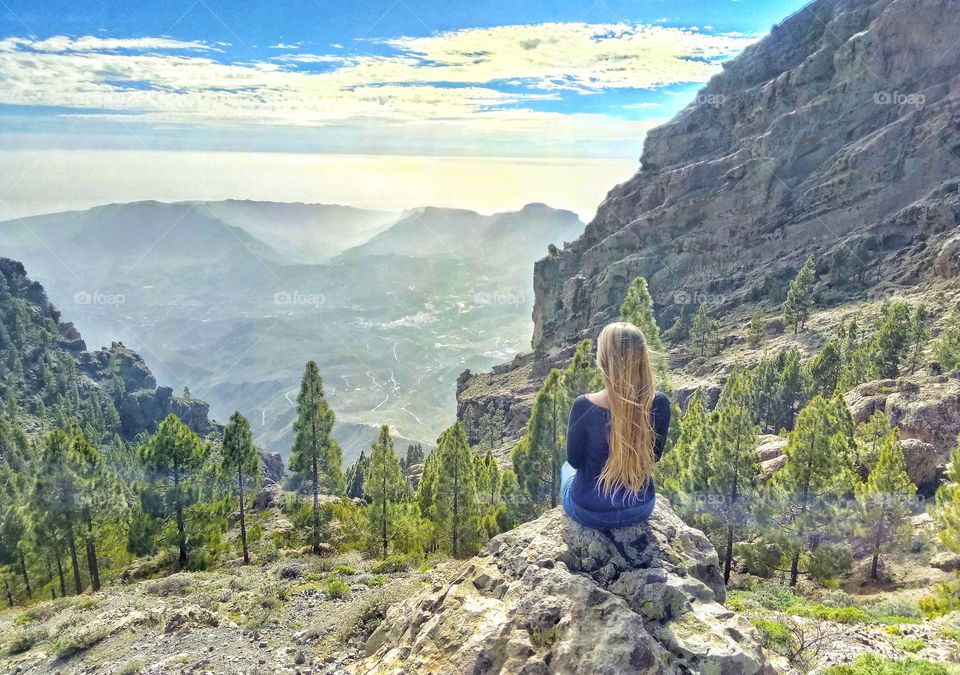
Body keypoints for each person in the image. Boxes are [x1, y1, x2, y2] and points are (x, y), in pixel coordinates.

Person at [561, 321, 671, 529]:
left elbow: (574, 461)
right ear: (643, 358)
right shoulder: (659, 403)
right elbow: (654, 456)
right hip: (639, 508)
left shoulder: (584, 405)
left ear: (604, 359)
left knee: (566, 468)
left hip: (589, 512)